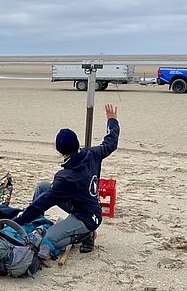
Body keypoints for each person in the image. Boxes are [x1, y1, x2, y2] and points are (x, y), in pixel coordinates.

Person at [14, 104, 120, 254]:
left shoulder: (66, 178)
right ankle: (36, 224)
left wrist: (17, 221)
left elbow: (42, 203)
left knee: (47, 240)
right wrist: (112, 121)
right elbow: (111, 142)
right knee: (42, 187)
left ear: (59, 150)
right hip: (82, 204)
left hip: (86, 218)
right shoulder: (92, 153)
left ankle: (84, 235)